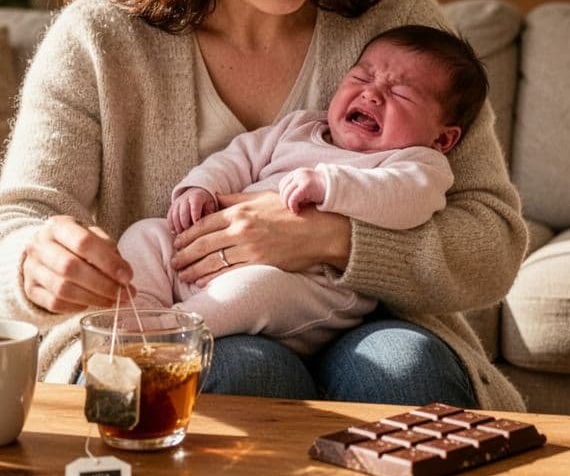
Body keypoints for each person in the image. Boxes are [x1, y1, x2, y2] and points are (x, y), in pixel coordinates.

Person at [0, 0, 529, 410]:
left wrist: (330, 237)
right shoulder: (99, 37)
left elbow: (494, 238)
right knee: (242, 371)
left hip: (365, 321)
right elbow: (13, 220)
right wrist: (32, 262)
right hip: (168, 324)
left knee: (405, 369)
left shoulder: (394, 20)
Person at [119, 25, 488, 355]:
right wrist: (202, 186)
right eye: (361, 77)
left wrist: (330, 185)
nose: (372, 95)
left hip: (309, 290)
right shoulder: (298, 127)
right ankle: (139, 316)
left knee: (256, 287)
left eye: (401, 93)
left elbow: (409, 202)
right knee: (146, 235)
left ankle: (173, 330)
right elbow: (238, 157)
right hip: (209, 258)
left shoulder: (417, 164)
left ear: (443, 137)